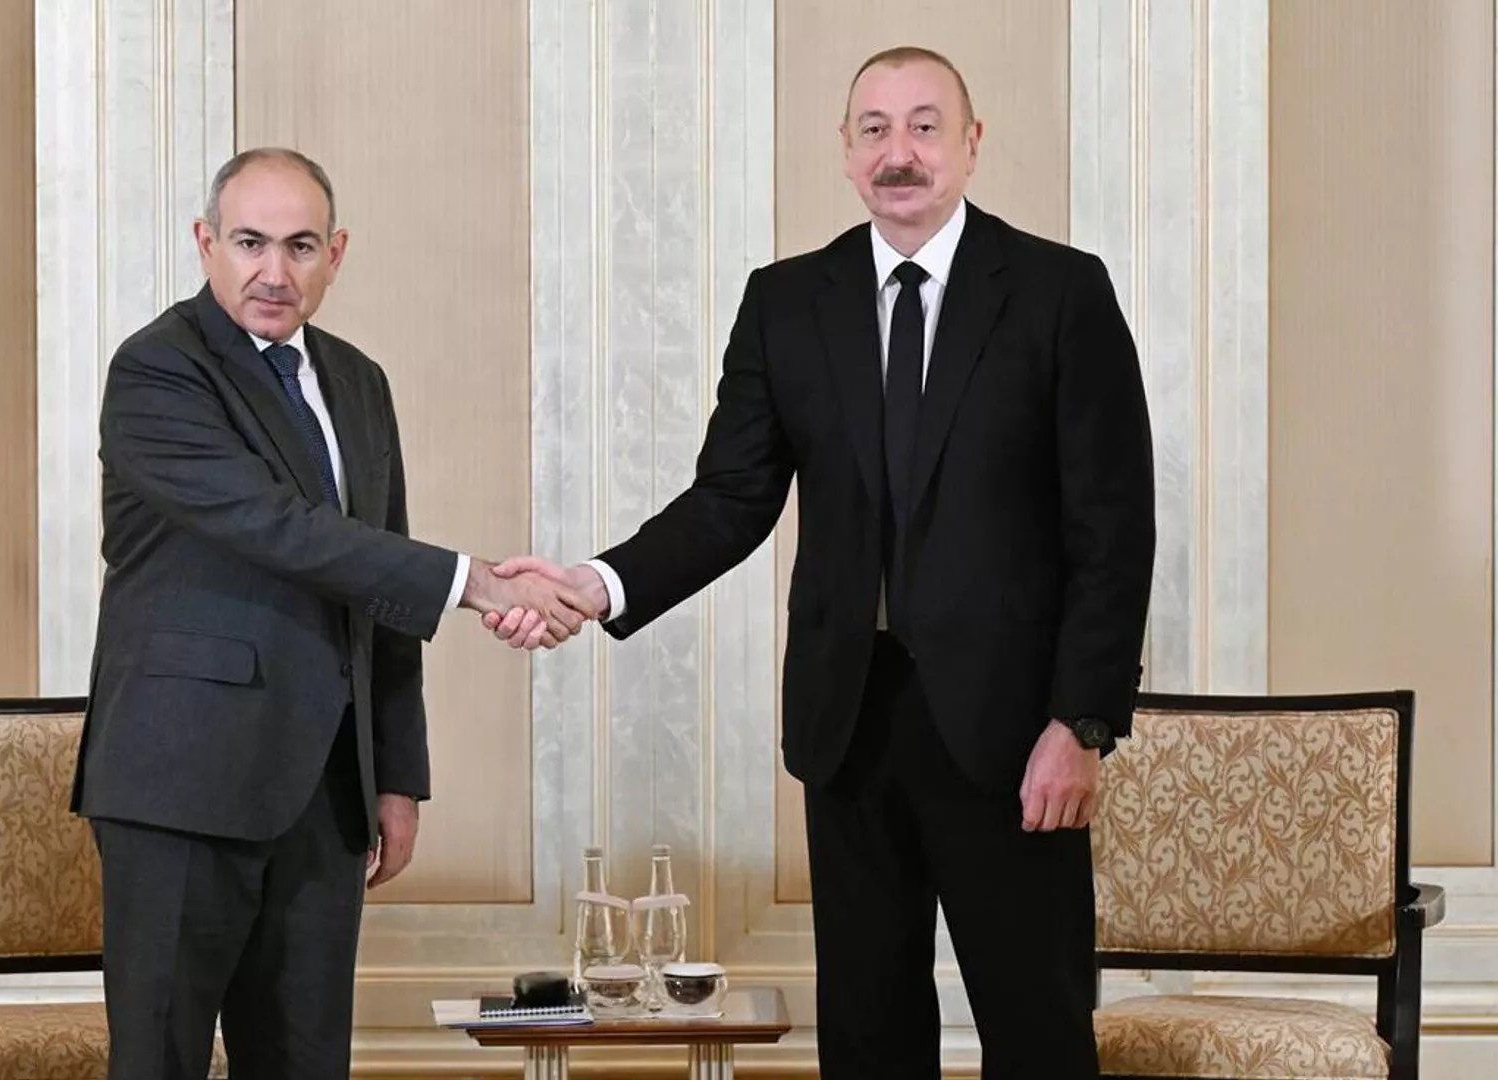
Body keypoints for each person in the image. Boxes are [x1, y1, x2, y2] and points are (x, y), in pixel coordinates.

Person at [486, 46, 1155, 1079]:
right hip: (850, 722)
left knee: (1037, 1033)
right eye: (874, 129)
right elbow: (730, 499)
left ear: (972, 144)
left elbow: (1115, 528)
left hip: (1018, 731)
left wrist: (1083, 724)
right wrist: (596, 581)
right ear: (845, 151)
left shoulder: (1061, 292)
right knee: (868, 1035)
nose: (900, 152)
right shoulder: (788, 301)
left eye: (925, 126)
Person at [70, 146, 594, 1080]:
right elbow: (282, 529)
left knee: (308, 1064)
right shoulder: (157, 371)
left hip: (324, 793)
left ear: (336, 254)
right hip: (180, 785)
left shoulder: (358, 381)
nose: (274, 271)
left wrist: (396, 775)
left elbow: (378, 585)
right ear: (205, 244)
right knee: (159, 1062)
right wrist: (478, 582)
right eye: (250, 242)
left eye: (300, 246)